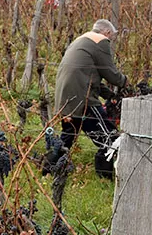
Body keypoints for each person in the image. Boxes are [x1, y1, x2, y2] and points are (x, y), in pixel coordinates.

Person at [54, 19, 128, 179]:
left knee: (68, 136)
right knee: (108, 138)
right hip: (83, 98)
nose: (111, 41)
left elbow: (88, 75)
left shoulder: (82, 40)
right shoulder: (100, 42)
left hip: (67, 96)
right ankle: (105, 176)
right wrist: (125, 82)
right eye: (112, 37)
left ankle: (51, 167)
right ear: (107, 33)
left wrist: (109, 94)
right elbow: (110, 73)